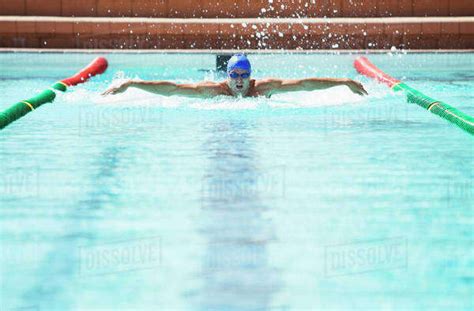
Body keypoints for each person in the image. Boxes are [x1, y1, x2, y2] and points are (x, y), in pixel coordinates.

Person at [102, 54, 368, 98]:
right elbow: (172, 89)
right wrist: (131, 83)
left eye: (244, 74)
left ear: (251, 76)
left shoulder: (262, 88)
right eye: (234, 74)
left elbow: (304, 85)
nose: (239, 79)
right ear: (227, 75)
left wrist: (344, 81)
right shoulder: (214, 90)